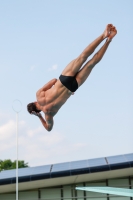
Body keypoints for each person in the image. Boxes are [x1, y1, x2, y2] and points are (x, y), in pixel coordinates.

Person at [27, 24, 117, 131]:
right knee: (83, 56)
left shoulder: (48, 115)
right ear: (34, 102)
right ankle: (104, 35)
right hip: (64, 79)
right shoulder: (39, 95)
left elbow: (49, 128)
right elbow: (54, 80)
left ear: (37, 112)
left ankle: (109, 40)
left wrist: (40, 117)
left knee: (92, 63)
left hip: (72, 88)